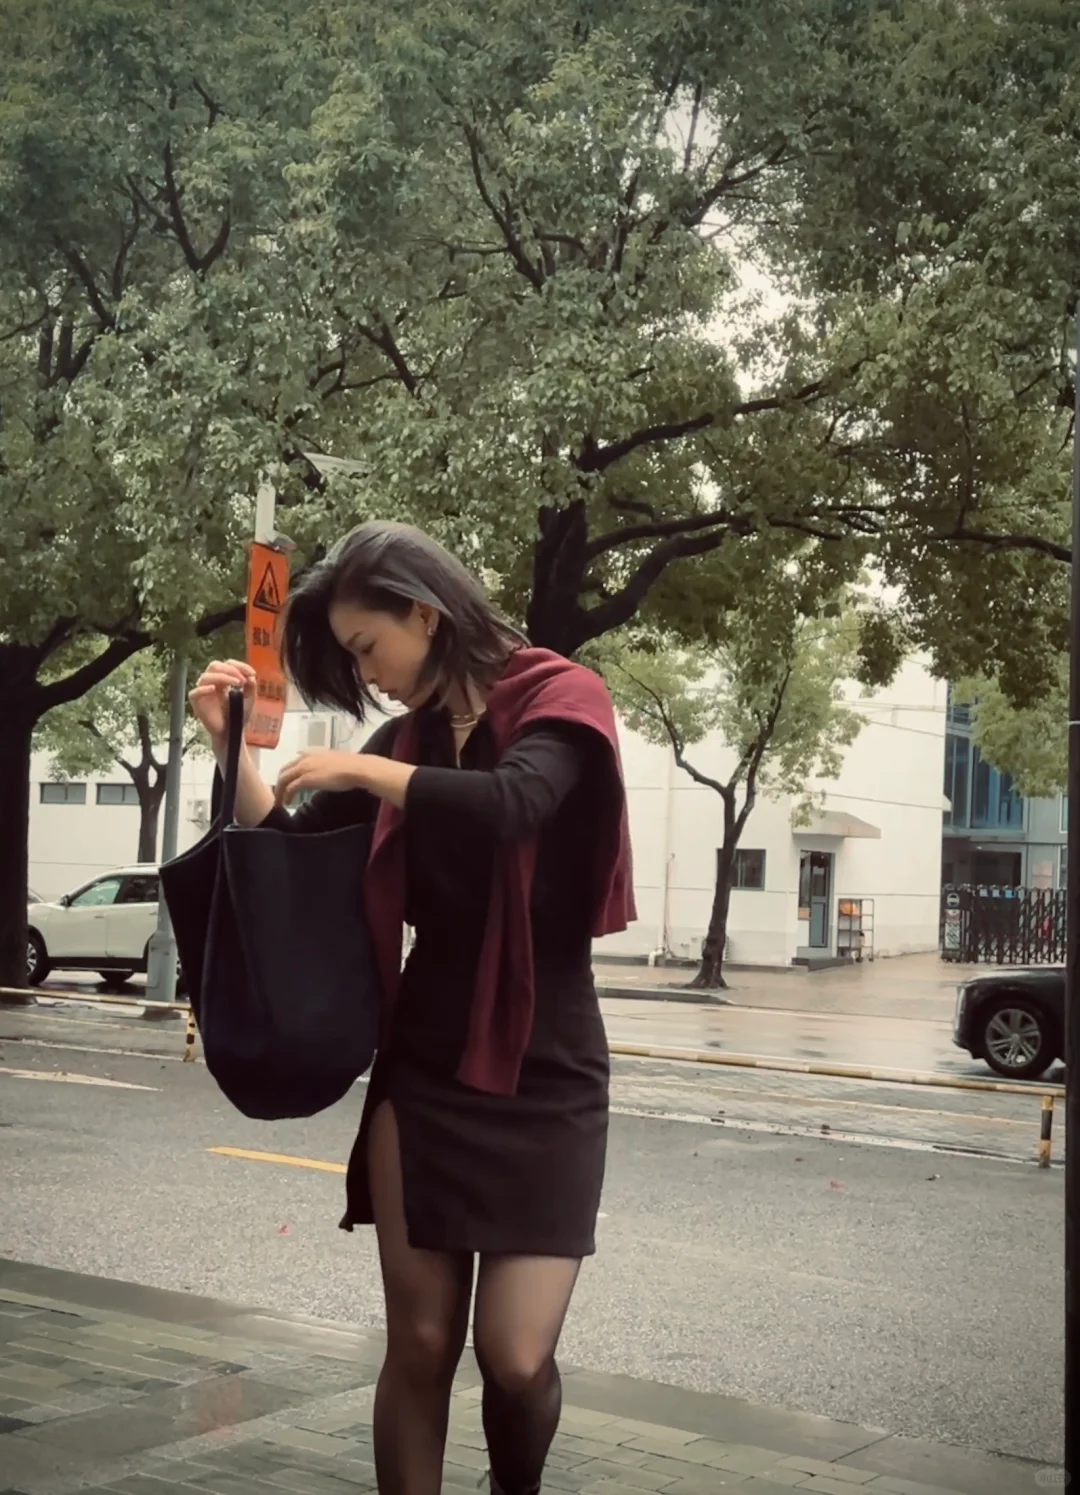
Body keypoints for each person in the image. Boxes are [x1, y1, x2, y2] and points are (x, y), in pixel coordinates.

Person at [188, 521, 635, 1495]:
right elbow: (295, 849)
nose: (370, 675)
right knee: (423, 1340)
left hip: (547, 1059)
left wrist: (361, 769)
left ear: (425, 614)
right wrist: (230, 745)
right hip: (424, 1058)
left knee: (516, 1355)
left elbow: (514, 802)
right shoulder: (407, 740)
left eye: (367, 647)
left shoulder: (562, 697)